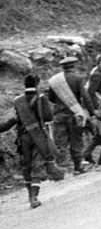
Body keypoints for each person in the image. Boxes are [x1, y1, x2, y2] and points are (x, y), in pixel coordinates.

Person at [0, 74, 65, 208]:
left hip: (23, 138)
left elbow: (15, 120)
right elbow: (48, 117)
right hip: (38, 138)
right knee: (37, 166)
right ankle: (33, 198)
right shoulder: (41, 99)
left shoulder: (17, 100)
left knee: (27, 166)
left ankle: (31, 194)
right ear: (37, 84)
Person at [47, 55, 96, 174]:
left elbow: (51, 98)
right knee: (76, 140)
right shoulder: (78, 79)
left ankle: (61, 168)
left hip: (59, 115)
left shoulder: (55, 81)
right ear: (74, 66)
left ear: (63, 67)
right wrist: (91, 112)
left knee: (60, 142)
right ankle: (77, 167)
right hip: (75, 115)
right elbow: (85, 97)